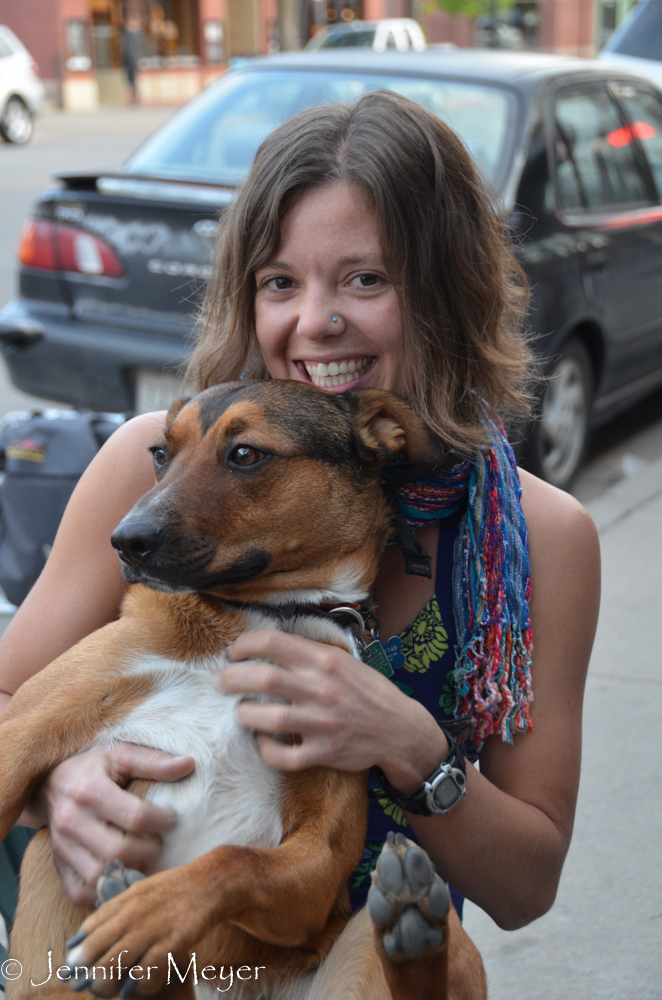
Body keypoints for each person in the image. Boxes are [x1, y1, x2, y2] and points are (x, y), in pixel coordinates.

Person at [0, 91, 600, 937]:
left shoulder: (537, 538)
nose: (316, 322)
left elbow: (527, 884)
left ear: (446, 291)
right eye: (280, 281)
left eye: (365, 278)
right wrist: (57, 783)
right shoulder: (155, 469)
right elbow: (10, 700)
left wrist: (410, 746)